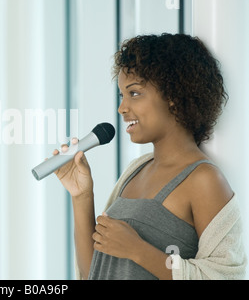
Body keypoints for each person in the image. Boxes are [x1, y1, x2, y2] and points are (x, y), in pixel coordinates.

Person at [52, 33, 246, 280]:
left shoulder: (204, 179)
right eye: (122, 95)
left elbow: (226, 277)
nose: (122, 108)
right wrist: (81, 196)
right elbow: (97, 272)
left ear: (174, 96)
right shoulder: (136, 170)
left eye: (134, 93)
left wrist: (139, 251)